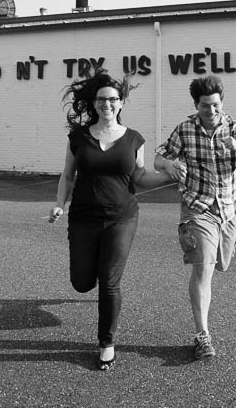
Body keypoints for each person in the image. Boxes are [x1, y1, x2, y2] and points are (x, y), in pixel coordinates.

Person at [50, 66, 169, 371]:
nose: (108, 104)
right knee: (81, 282)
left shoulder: (134, 139)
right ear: (94, 103)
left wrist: (171, 177)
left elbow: (139, 178)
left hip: (122, 217)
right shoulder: (78, 138)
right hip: (83, 218)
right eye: (102, 99)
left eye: (113, 99)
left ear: (121, 103)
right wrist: (59, 204)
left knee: (110, 282)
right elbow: (67, 175)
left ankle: (107, 344)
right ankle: (89, 292)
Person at [154, 74, 236, 360]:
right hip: (198, 207)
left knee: (222, 264)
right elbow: (159, 158)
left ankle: (225, 241)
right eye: (205, 106)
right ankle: (202, 335)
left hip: (230, 209)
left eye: (216, 105)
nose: (211, 111)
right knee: (203, 267)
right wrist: (171, 165)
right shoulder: (184, 131)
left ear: (222, 103)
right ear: (196, 105)